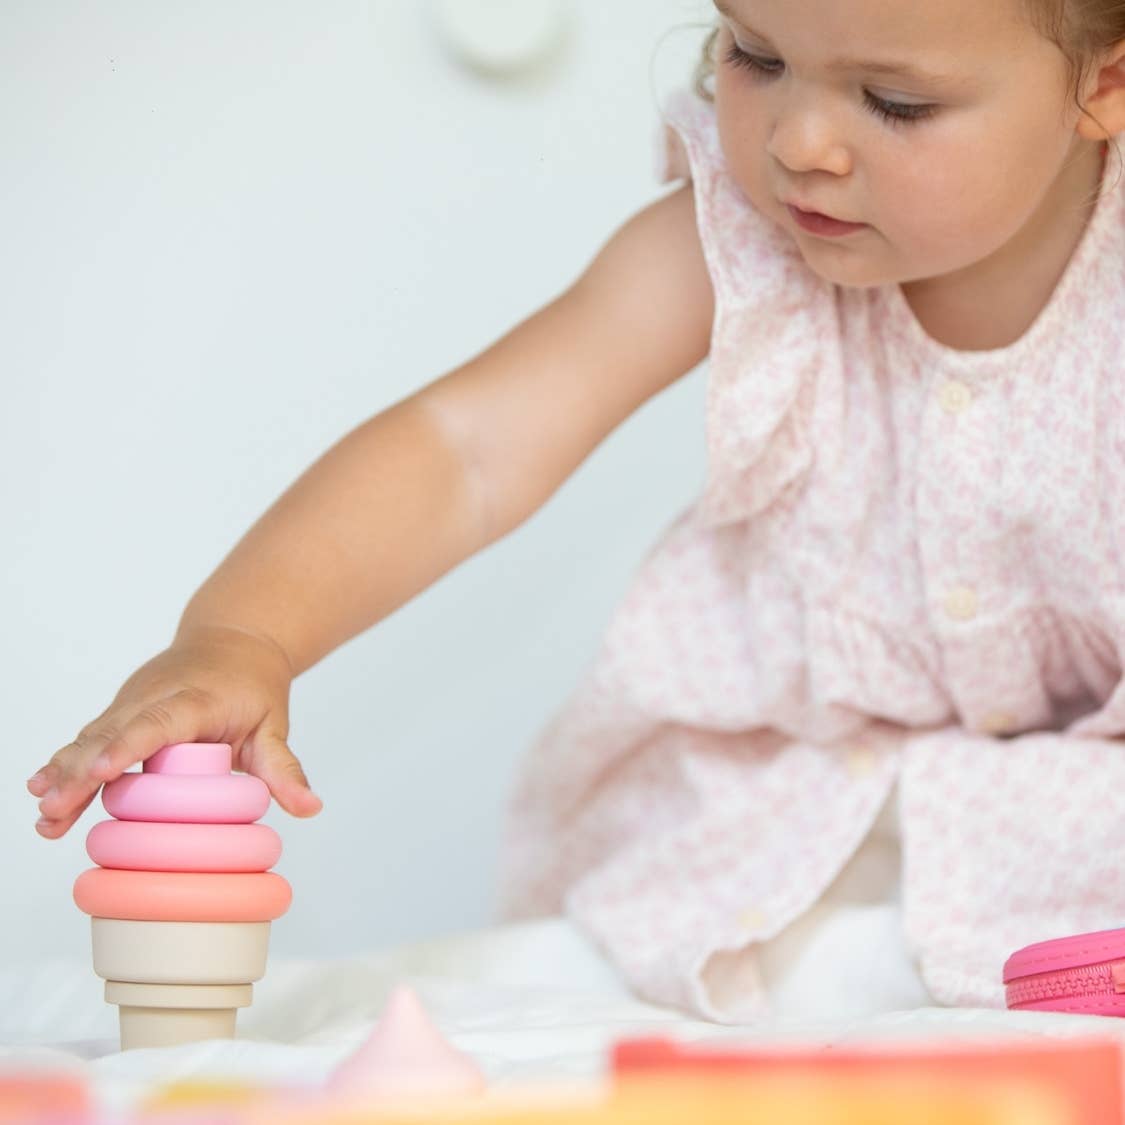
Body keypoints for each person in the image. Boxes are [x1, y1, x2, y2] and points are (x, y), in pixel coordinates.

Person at [30, 0, 1125, 1023]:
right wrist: (244, 633)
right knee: (624, 980)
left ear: (1105, 83)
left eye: (895, 103)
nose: (802, 143)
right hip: (781, 815)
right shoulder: (740, 239)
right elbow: (472, 449)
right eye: (756, 55)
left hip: (1085, 828)